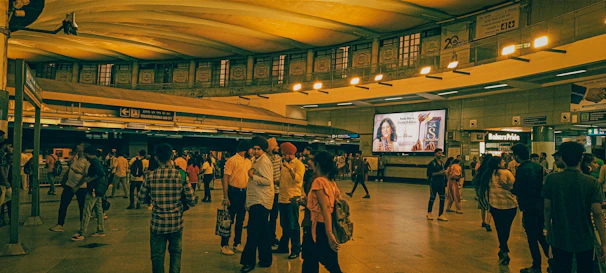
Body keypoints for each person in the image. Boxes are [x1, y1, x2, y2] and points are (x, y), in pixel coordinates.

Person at [544, 142, 606, 273]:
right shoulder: (591, 182)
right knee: (585, 269)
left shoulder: (551, 179)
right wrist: (604, 242)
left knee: (561, 268)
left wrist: (549, 232)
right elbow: (597, 213)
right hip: (585, 238)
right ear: (581, 158)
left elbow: (547, 208)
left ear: (562, 158)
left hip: (558, 236)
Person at [138, 143, 195, 273]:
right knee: (175, 254)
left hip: (157, 224)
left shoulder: (150, 176)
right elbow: (192, 200)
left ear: (156, 158)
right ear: (171, 156)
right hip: (176, 223)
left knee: (157, 256)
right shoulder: (180, 175)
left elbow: (140, 199)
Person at [511, 144, 550, 273]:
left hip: (528, 207)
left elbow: (517, 188)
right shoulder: (539, 167)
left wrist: (510, 189)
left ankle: (536, 265)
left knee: (532, 237)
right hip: (539, 205)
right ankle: (552, 261)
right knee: (540, 235)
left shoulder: (521, 169)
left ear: (517, 155)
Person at [304, 151, 343, 273]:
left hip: (319, 227)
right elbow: (336, 201)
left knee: (324, 262)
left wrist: (329, 233)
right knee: (324, 261)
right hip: (325, 223)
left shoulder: (319, 181)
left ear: (318, 165)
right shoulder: (331, 182)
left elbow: (325, 207)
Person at [240, 136, 274, 273]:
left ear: (263, 150)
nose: (255, 151)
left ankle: (248, 262)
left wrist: (252, 175)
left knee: (253, 233)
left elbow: (267, 181)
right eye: (254, 148)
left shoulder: (264, 162)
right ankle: (266, 259)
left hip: (260, 202)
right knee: (263, 232)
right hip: (258, 201)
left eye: (258, 149)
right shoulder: (257, 160)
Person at [479, 157, 517, 266]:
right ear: (498, 163)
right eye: (502, 161)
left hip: (495, 206)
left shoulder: (488, 174)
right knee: (506, 228)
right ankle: (504, 248)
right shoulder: (507, 173)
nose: (504, 162)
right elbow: (514, 186)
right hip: (510, 205)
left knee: (499, 228)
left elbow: (483, 189)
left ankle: (503, 248)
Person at [49, 142, 91, 233]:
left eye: (80, 145)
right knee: (63, 204)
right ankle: (60, 224)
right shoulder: (75, 157)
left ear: (84, 149)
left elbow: (86, 176)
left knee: (82, 207)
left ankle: (83, 226)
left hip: (81, 187)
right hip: (69, 184)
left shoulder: (87, 161)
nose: (77, 146)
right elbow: (70, 167)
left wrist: (77, 186)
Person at [220, 141, 251, 256]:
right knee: (229, 220)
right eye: (251, 149)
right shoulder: (232, 160)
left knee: (241, 220)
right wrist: (226, 196)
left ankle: (237, 243)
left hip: (244, 193)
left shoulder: (248, 161)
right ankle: (224, 245)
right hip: (233, 193)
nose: (252, 152)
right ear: (245, 149)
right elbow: (225, 179)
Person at [274, 142, 305, 259]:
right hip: (282, 198)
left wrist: (290, 169)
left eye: (284, 154)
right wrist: (276, 181)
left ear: (289, 154)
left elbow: (298, 179)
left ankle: (296, 249)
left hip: (292, 199)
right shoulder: (284, 164)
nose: (282, 156)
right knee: (284, 224)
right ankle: (283, 247)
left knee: (293, 225)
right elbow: (283, 179)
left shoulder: (298, 164)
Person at [71, 146, 108, 241]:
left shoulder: (95, 162)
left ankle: (82, 232)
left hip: (93, 189)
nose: (84, 156)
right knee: (98, 210)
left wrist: (89, 179)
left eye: (85, 154)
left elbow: (100, 174)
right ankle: (101, 230)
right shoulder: (96, 161)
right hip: (98, 190)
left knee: (86, 210)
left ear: (87, 153)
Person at [267, 137, 282, 248]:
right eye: (275, 145)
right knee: (266, 216)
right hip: (267, 192)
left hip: (277, 192)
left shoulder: (278, 158)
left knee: (273, 217)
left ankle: (272, 236)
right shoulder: (265, 159)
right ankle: (266, 237)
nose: (277, 147)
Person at [426, 149, 448, 221]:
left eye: (441, 153)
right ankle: (429, 212)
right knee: (432, 197)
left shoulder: (442, 163)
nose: (440, 154)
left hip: (441, 183)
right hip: (434, 183)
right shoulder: (432, 164)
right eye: (438, 153)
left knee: (442, 198)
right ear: (435, 154)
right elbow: (429, 174)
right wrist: (439, 173)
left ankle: (441, 214)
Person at [473, 154, 493, 232]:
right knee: (489, 206)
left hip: (480, 189)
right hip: (488, 189)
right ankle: (488, 222)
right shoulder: (490, 169)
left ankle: (483, 221)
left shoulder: (481, 167)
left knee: (482, 206)